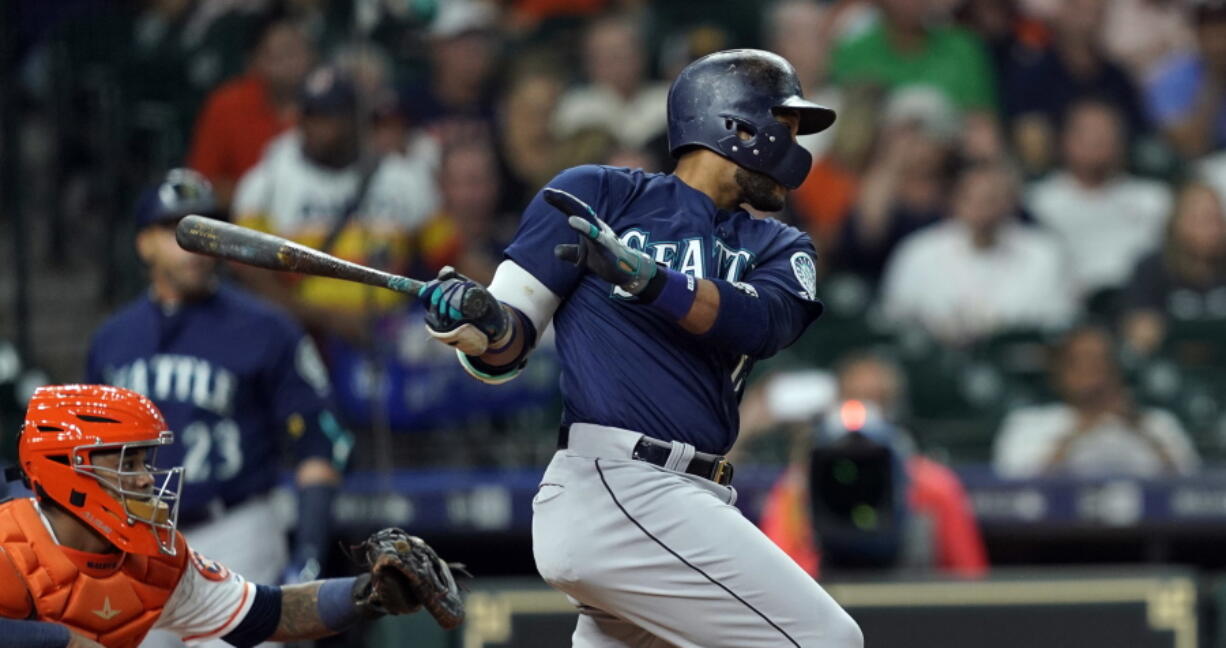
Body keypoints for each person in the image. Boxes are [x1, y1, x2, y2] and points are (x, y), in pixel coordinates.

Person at [416, 49, 862, 647]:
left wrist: (649, 279)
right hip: (617, 484)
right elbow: (508, 342)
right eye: (783, 127)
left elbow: (763, 324)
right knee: (828, 640)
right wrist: (476, 324)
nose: (794, 148)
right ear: (733, 124)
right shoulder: (595, 193)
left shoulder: (778, 242)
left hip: (689, 500)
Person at [84, 169, 349, 648]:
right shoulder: (111, 341)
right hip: (136, 544)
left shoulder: (267, 328)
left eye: (207, 228)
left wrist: (309, 551)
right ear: (144, 244)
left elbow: (318, 445)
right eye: (177, 230)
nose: (195, 243)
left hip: (238, 531)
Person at [0, 384, 444, 648]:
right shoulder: (9, 542)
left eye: (144, 462)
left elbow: (264, 612)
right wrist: (61, 641)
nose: (145, 480)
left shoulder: (154, 560)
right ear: (64, 469)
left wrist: (369, 594)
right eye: (126, 464)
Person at [232, 66, 439, 344]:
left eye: (330, 117)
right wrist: (326, 319)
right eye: (310, 116)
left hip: (388, 336)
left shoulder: (402, 177)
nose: (318, 128)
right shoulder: (266, 183)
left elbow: (449, 254)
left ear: (357, 119)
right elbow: (251, 278)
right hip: (303, 337)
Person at [753, 354, 988, 577]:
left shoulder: (935, 486)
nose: (864, 409)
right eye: (854, 396)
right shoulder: (799, 485)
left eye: (877, 399)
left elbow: (969, 581)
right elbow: (777, 576)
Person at [880, 161, 1076, 343]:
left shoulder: (1045, 253)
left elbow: (1060, 323)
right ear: (954, 201)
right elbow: (894, 322)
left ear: (1011, 202)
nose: (982, 208)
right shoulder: (918, 252)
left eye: (992, 198)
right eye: (972, 198)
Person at [992, 326, 1200, 478]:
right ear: (1058, 373)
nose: (1093, 374)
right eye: (1080, 364)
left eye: (1102, 363)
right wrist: (1077, 432)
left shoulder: (1157, 422)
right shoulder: (1027, 423)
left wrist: (1142, 430)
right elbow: (1016, 490)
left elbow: (1192, 488)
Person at [1025, 99, 1171, 299]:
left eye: (1106, 133)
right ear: (1064, 140)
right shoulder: (1037, 201)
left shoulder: (1154, 198)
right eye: (1087, 133)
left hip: (1140, 303)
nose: (1097, 141)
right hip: (1069, 307)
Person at [187, 18, 314, 209]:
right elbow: (200, 186)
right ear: (254, 62)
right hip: (240, 223)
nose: (289, 64)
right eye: (277, 56)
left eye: (294, 52)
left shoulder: (332, 108)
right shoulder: (227, 105)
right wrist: (259, 195)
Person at [1121, 182, 1226, 356]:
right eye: (1201, 220)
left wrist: (1170, 329)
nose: (1213, 230)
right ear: (1177, 223)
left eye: (1217, 220)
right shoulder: (1152, 268)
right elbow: (1141, 332)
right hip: (1172, 364)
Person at [552, 14, 670, 150]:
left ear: (641, 55)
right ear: (588, 62)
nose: (617, 63)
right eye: (607, 55)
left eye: (623, 52)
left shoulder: (668, 99)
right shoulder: (575, 107)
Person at [1145, 0, 1226, 159]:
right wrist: (1214, 78)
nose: (1220, 42)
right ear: (1196, 34)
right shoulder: (1170, 79)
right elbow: (1191, 147)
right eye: (1211, 32)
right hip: (1201, 165)